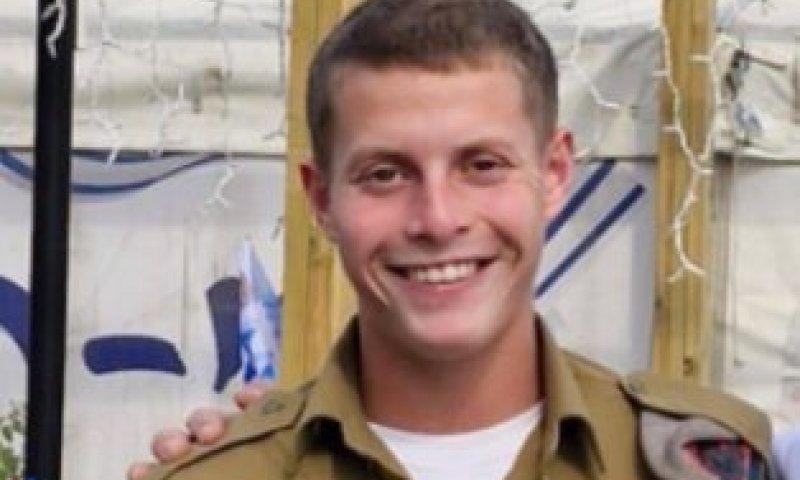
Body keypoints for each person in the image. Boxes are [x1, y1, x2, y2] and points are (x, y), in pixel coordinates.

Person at [133, 0, 776, 479]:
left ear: (554, 174)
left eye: (483, 165)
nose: (438, 220)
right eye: (385, 174)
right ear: (322, 200)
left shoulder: (704, 463)